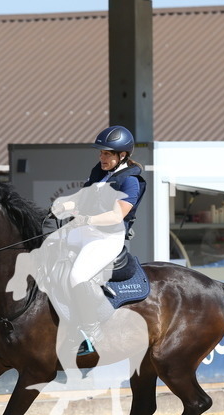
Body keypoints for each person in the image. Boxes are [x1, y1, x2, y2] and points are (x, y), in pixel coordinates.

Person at [51, 125, 146, 356]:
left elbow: (116, 215)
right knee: (48, 248)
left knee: (78, 275)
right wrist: (66, 205)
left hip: (108, 238)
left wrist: (86, 219)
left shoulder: (130, 182)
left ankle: (93, 333)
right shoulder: (100, 173)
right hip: (86, 230)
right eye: (101, 153)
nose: (101, 157)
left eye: (106, 154)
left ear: (121, 155)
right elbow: (82, 199)